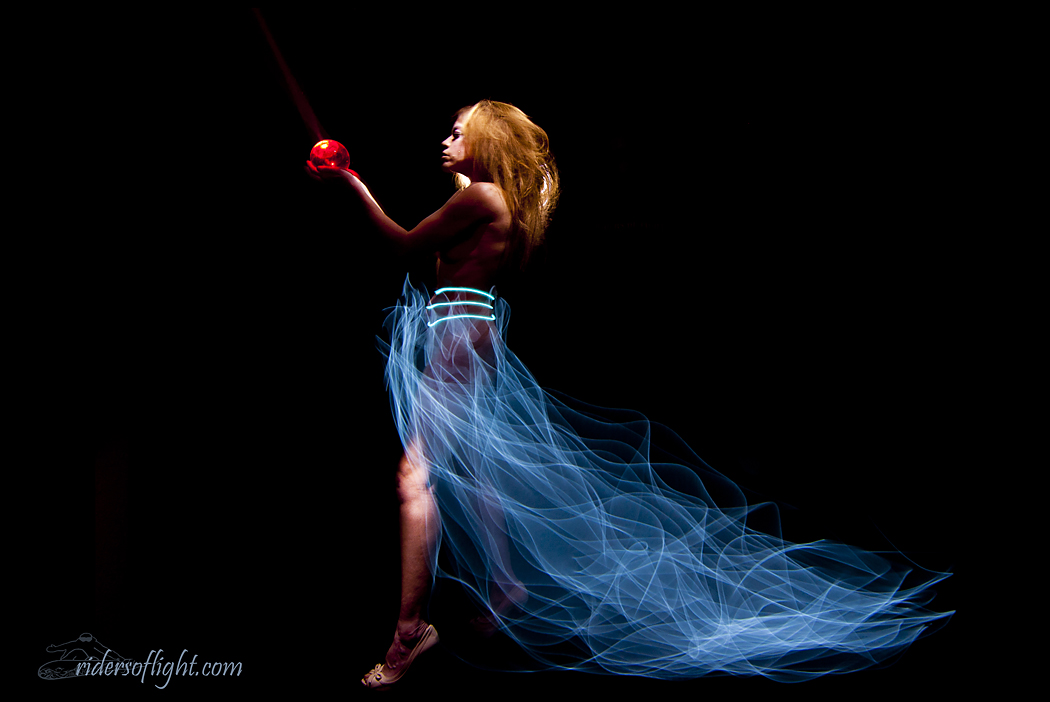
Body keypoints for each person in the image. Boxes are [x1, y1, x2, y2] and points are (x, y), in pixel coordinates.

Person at [307, 101, 949, 691]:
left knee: (414, 477)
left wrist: (351, 184)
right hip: (471, 330)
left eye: (457, 131)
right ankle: (504, 582)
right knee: (477, 468)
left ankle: (409, 631)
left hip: (456, 335)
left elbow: (402, 243)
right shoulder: (496, 201)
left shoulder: (481, 196)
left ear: (487, 141)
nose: (446, 140)